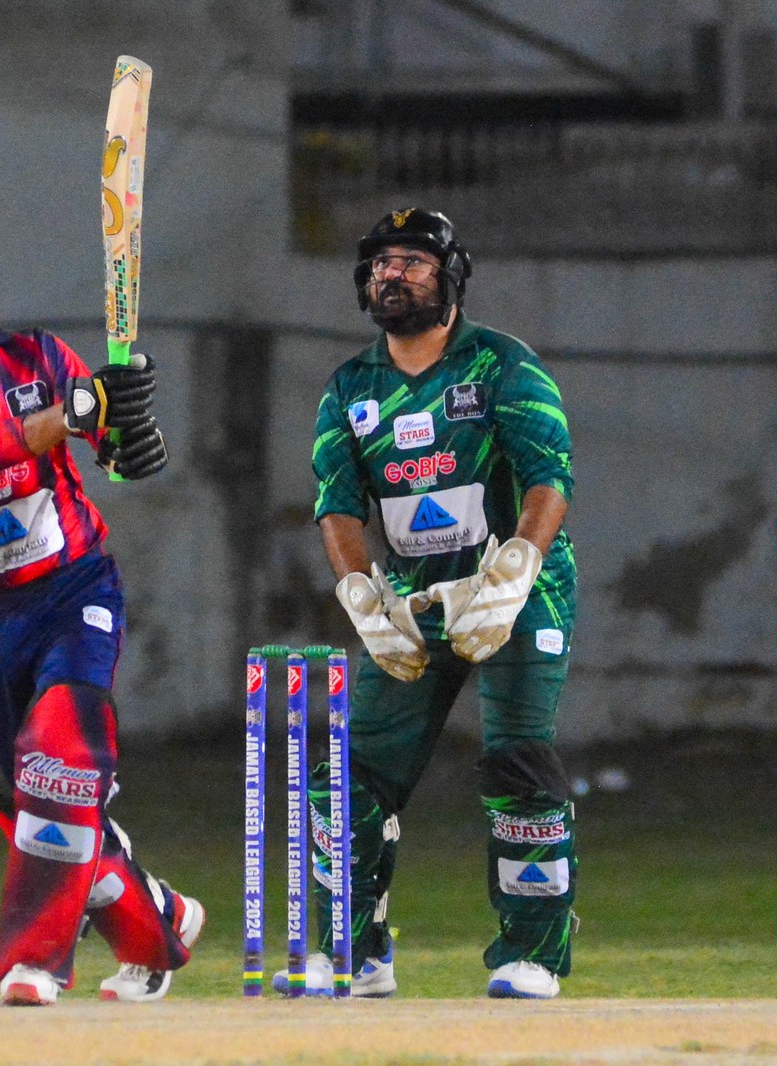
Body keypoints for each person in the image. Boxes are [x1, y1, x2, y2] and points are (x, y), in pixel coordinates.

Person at [0, 219, 201, 1006]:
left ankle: (35, 961)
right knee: (42, 799)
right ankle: (159, 919)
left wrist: (127, 436)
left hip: (74, 590)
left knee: (60, 757)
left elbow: (105, 443)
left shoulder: (41, 359)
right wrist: (82, 409)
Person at [304, 207, 578, 1000]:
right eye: (381, 263)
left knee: (517, 762)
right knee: (348, 779)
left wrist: (515, 572)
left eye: (414, 262)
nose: (393, 274)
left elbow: (549, 478)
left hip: (518, 595)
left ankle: (532, 955)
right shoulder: (351, 387)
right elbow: (337, 507)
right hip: (415, 601)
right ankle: (355, 952)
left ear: (451, 278)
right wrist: (362, 595)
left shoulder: (501, 365)